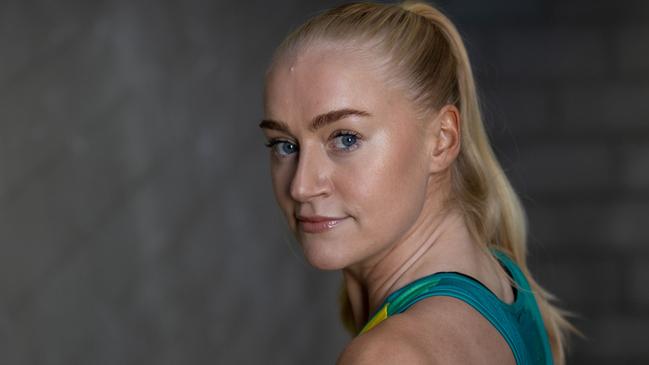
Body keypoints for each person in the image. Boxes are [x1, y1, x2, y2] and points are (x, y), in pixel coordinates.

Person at [259, 1, 574, 364]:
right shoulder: (501, 277)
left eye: (346, 138)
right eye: (284, 144)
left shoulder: (389, 356)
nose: (301, 186)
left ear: (441, 139)